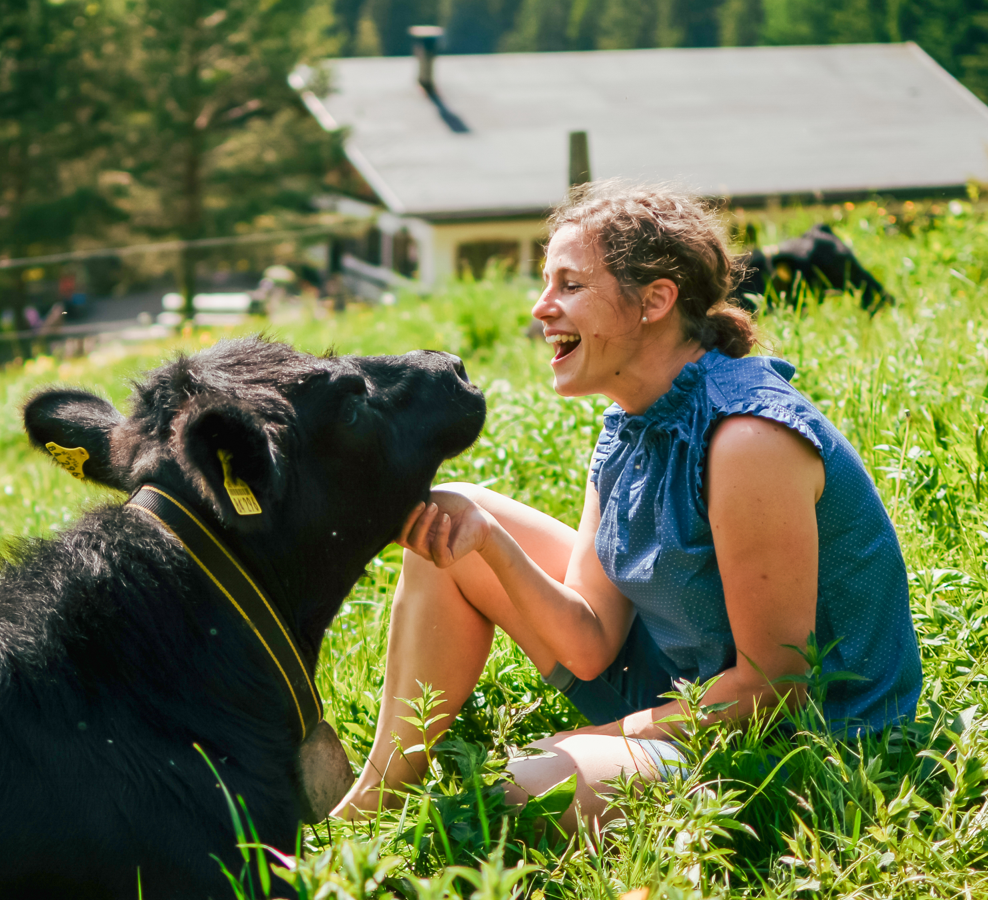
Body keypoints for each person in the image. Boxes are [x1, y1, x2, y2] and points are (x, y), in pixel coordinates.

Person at [334, 181, 921, 830]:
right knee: (460, 515)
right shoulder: (630, 420)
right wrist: (492, 546)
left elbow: (773, 685)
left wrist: (604, 737)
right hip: (689, 686)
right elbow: (588, 644)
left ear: (655, 300)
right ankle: (376, 803)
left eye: (570, 285)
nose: (540, 307)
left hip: (809, 741)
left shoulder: (747, 440)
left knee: (526, 791)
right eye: (545, 283)